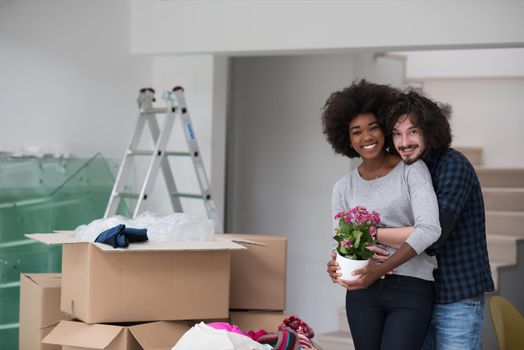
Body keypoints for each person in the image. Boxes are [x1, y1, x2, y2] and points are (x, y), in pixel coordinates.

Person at [328, 90, 495, 350]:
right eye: (397, 133)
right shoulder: (352, 183)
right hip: (418, 290)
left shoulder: (451, 166)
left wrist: (369, 233)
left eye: (413, 131)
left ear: (429, 130)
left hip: (455, 292)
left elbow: (431, 232)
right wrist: (341, 260)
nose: (404, 141)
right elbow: (345, 239)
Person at [322, 80, 441, 350]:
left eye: (373, 127)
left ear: (384, 129)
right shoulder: (343, 188)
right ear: (347, 140)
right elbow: (344, 242)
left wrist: (381, 268)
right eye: (356, 131)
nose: (367, 137)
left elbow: (429, 230)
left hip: (411, 287)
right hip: (362, 293)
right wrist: (335, 265)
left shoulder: (413, 171)